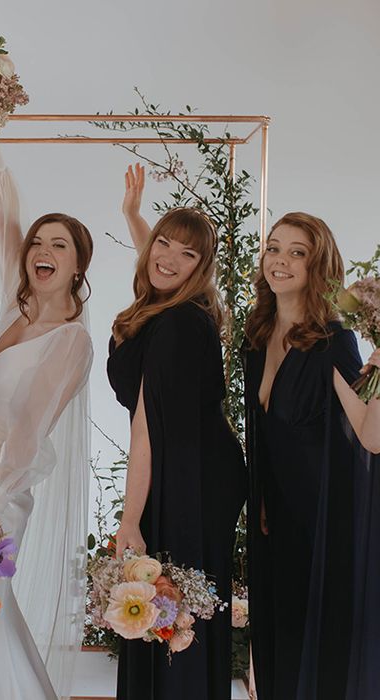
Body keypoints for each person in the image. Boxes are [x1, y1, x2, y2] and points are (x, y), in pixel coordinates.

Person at [0, 92, 94, 700]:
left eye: (59, 245)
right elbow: (5, 221)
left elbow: (29, 431)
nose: (42, 251)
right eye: (40, 242)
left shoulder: (69, 341)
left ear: (79, 266)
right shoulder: (17, 305)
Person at [110, 163, 246, 699]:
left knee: (173, 599)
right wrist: (133, 216)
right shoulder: (167, 304)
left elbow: (144, 430)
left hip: (192, 473)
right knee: (170, 597)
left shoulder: (175, 325)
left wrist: (129, 519)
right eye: (163, 243)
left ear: (201, 270)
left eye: (188, 255)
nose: (169, 257)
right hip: (188, 461)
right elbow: (161, 264)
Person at [243, 212, 380, 700]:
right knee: (279, 646)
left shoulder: (333, 340)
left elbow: (370, 435)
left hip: (322, 522)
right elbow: (260, 434)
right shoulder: (257, 334)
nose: (279, 260)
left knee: (317, 653)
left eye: (296, 252)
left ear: (316, 265)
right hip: (273, 518)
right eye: (274, 247)